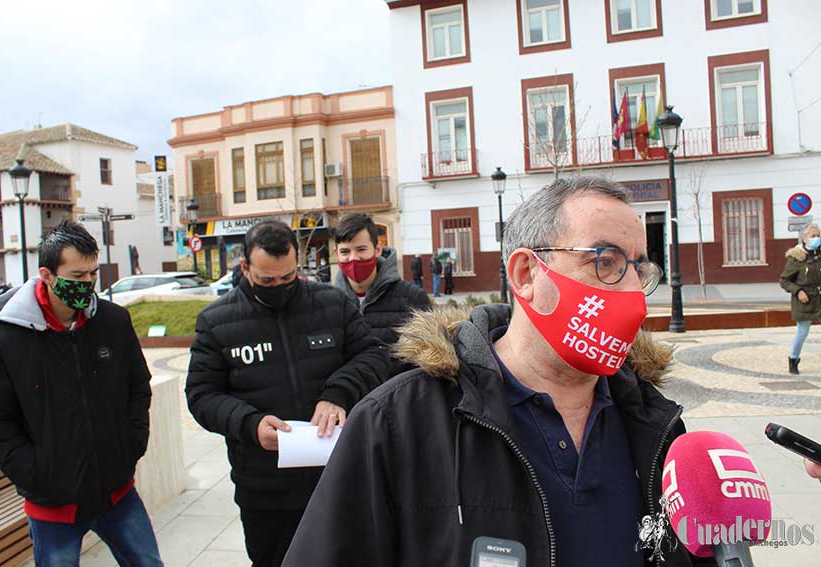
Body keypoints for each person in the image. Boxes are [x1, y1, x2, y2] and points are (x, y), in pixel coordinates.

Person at [284, 177, 711, 567]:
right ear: (525, 274)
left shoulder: (656, 424)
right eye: (605, 262)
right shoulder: (396, 424)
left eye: (638, 268)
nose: (633, 291)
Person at [185, 220, 390, 567]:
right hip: (266, 490)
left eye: (287, 277)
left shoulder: (332, 303)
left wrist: (339, 392)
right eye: (267, 280)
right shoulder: (216, 321)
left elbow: (373, 355)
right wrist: (250, 424)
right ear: (245, 267)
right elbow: (201, 395)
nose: (278, 286)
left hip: (337, 475)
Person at [0, 220, 162, 566]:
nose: (87, 285)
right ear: (47, 275)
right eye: (76, 277)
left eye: (92, 274)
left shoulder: (113, 321)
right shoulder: (2, 340)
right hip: (52, 504)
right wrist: (35, 473)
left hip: (117, 492)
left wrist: (132, 444)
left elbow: (137, 387)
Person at [332, 213, 432, 346]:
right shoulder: (326, 304)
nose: (353, 258)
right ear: (336, 254)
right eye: (345, 252)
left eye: (361, 249)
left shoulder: (413, 298)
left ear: (377, 250)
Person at [780, 223, 820, 375]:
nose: (816, 239)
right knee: (803, 331)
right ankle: (793, 359)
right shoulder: (797, 257)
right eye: (813, 236)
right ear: (805, 238)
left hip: (819, 298)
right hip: (804, 299)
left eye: (818, 236)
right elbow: (784, 280)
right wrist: (798, 291)